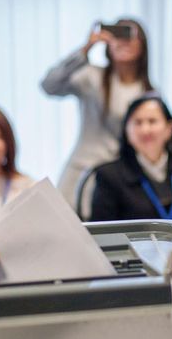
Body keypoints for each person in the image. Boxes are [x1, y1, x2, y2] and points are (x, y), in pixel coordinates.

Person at [41, 18, 153, 207]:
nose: (123, 42)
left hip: (119, 177)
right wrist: (86, 48)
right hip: (80, 169)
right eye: (117, 35)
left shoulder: (148, 93)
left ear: (142, 45)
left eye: (129, 35)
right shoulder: (92, 77)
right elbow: (49, 85)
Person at [90, 94, 172, 223]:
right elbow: (101, 233)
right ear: (126, 131)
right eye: (138, 122)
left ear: (169, 128)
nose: (145, 130)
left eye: (152, 121)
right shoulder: (109, 175)